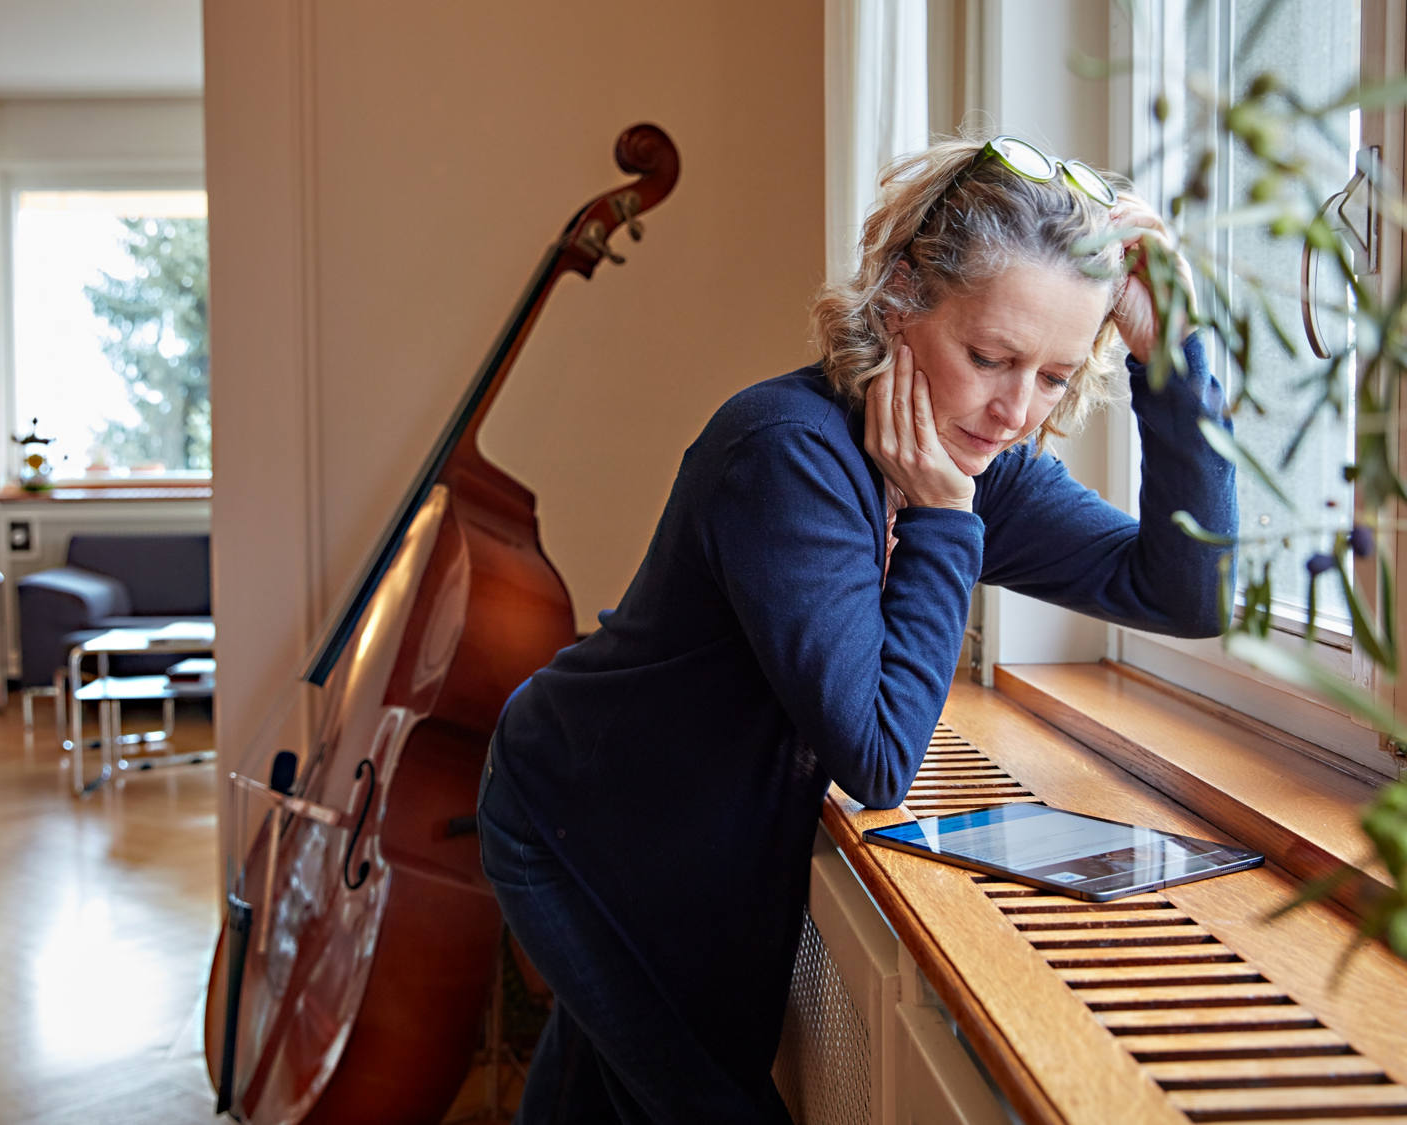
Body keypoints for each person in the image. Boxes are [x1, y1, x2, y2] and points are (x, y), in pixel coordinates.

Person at [475, 134, 1235, 1123]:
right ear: (901, 300)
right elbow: (878, 756)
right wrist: (941, 524)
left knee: (602, 1101)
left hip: (697, 840)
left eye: (1053, 376)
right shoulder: (785, 453)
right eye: (989, 357)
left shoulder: (974, 462)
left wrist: (1173, 361)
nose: (1013, 410)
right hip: (579, 825)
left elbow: (1186, 594)